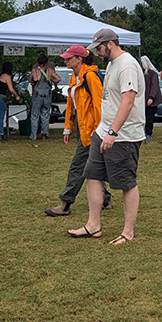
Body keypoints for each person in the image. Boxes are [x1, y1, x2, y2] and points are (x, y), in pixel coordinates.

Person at [68, 29, 145, 245]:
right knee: (92, 175)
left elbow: (128, 102)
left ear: (110, 44)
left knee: (126, 182)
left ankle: (128, 232)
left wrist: (112, 132)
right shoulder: (112, 64)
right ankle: (93, 226)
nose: (98, 54)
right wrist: (102, 130)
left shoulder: (127, 65)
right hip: (102, 132)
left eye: (100, 49)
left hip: (123, 136)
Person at [45, 45, 112, 216]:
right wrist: (68, 128)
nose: (65, 60)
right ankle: (105, 200)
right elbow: (71, 106)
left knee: (77, 166)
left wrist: (98, 129)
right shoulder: (76, 78)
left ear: (79, 59)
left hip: (90, 131)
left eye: (68, 58)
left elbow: (99, 105)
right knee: (93, 165)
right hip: (84, 131)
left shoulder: (89, 77)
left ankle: (65, 203)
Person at [29, 50, 62, 141]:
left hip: (37, 95)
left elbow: (30, 80)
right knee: (45, 114)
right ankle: (44, 133)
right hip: (47, 94)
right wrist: (51, 80)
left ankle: (33, 135)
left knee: (35, 115)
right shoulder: (50, 70)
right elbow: (59, 78)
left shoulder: (34, 70)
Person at [0, 62, 20, 138]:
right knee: (0, 116)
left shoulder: (0, 75)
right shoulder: (7, 77)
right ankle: (1, 134)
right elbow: (11, 89)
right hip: (1, 97)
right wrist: (16, 96)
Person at [140, 56, 162, 139]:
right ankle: (143, 131)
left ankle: (149, 132)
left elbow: (154, 86)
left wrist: (151, 97)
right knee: (143, 117)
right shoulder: (141, 73)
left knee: (149, 117)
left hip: (151, 99)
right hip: (143, 98)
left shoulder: (153, 74)